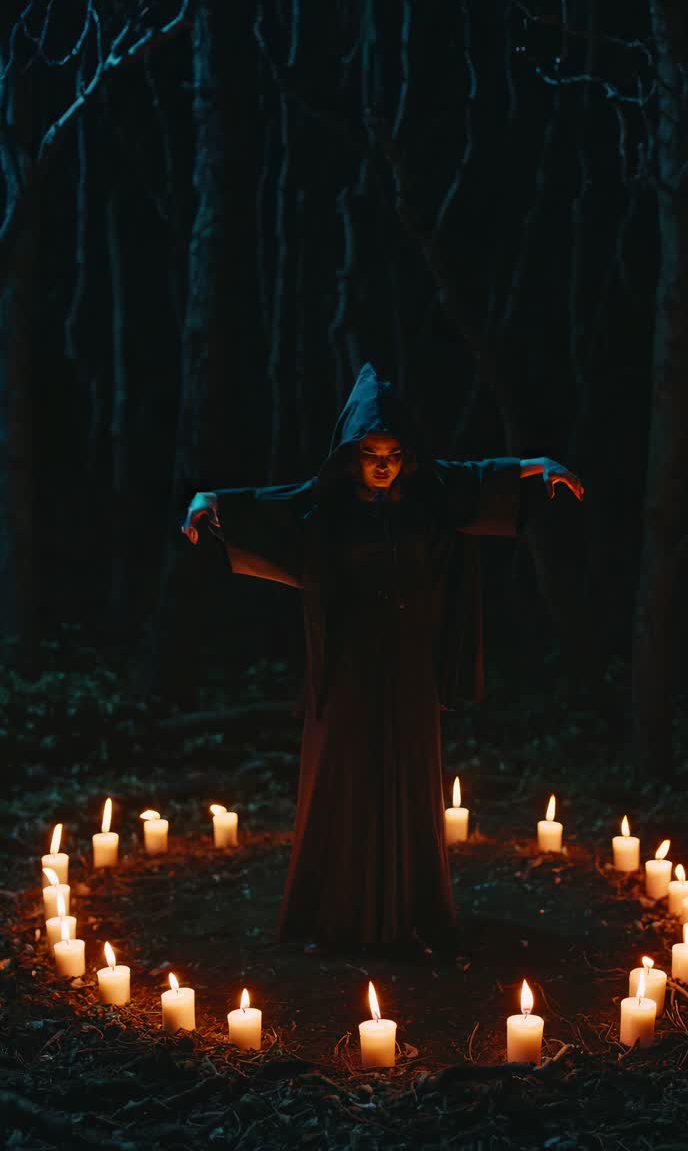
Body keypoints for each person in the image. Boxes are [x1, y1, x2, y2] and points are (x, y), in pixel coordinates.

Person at [182, 363, 583, 953]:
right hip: (347, 664)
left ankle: (411, 910)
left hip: (410, 661)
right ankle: (337, 914)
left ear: (406, 456)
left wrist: (538, 465)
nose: (382, 464)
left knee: (409, 771)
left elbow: (477, 477)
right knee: (345, 773)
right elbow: (268, 505)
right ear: (351, 456)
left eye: (393, 454)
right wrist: (208, 499)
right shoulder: (326, 505)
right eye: (370, 453)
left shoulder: (427, 496)